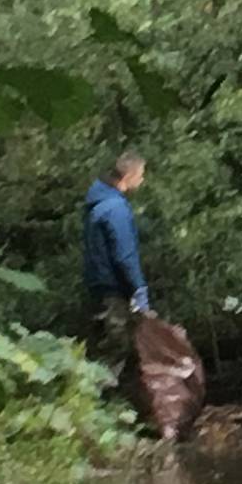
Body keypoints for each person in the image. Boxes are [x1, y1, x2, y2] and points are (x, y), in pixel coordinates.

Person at [82, 151, 152, 353]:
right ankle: (103, 385)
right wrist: (138, 289)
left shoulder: (98, 204)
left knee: (102, 347)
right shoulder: (115, 208)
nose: (142, 179)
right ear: (128, 177)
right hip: (113, 290)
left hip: (98, 287)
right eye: (141, 175)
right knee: (115, 348)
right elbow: (124, 255)